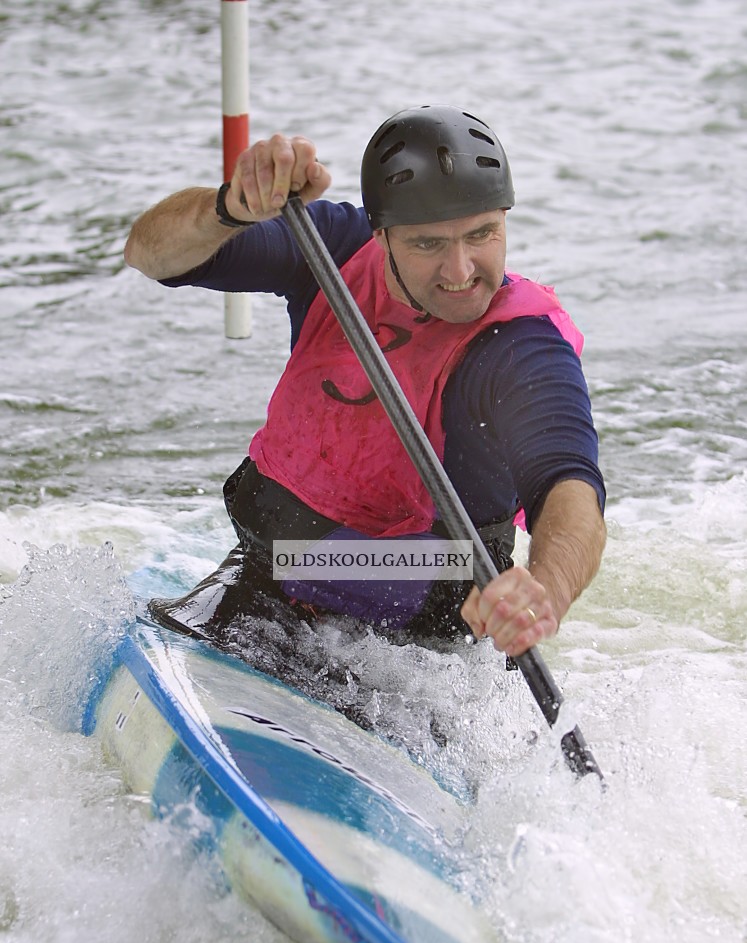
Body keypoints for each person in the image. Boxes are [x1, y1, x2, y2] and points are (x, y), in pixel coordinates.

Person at [124, 105, 606, 663]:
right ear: (382, 235)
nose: (460, 270)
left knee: (311, 559)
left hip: (418, 646)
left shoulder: (521, 349)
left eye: (482, 235)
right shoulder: (332, 249)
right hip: (273, 574)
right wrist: (228, 208)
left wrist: (545, 587)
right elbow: (148, 254)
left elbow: (571, 489)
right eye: (427, 244)